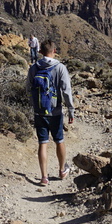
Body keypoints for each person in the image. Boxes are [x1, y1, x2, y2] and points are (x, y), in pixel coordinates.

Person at [26, 40, 75, 186]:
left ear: (40, 51)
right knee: (59, 139)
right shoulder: (60, 68)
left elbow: (28, 88)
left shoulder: (34, 67)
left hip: (39, 111)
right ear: (54, 50)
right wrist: (71, 110)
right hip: (55, 111)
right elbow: (66, 91)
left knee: (43, 143)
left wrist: (33, 105)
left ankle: (44, 177)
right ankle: (62, 170)